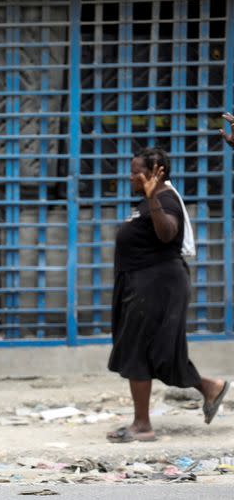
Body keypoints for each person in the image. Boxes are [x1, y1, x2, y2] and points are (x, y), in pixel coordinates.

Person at [106, 147, 229, 443]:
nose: (131, 175)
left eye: (137, 171)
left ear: (156, 173)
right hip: (146, 284)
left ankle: (142, 426)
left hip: (157, 286)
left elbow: (167, 233)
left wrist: (153, 200)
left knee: (137, 350)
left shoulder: (164, 200)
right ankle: (211, 387)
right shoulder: (150, 201)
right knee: (158, 352)